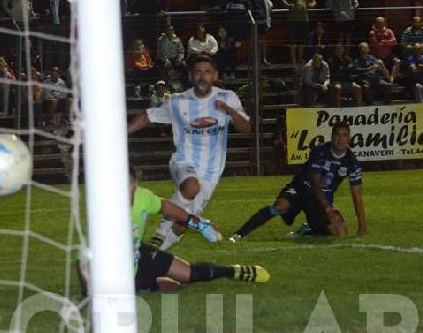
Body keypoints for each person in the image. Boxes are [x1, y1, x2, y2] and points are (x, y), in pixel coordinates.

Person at [76, 166, 269, 295]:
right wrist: (89, 291)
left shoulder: (143, 197)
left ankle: (233, 271)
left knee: (190, 275)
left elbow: (165, 206)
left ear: (135, 184)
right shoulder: (102, 214)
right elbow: (83, 257)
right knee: (158, 287)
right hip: (114, 276)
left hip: (138, 255)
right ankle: (149, 283)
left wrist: (199, 224)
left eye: (126, 184)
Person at [126, 54, 252, 250]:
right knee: (192, 186)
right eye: (198, 72)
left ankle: (154, 251)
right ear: (191, 76)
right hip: (183, 160)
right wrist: (121, 134)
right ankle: (162, 228)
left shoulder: (228, 98)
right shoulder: (177, 101)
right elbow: (147, 116)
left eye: (207, 72)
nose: (203, 77)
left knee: (182, 224)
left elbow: (246, 129)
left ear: (215, 75)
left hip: (212, 172)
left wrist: (231, 112)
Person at [228, 121, 366, 241]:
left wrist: (362, 227)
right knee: (280, 207)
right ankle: (239, 234)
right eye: (337, 134)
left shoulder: (352, 162)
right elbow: (316, 184)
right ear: (332, 136)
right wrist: (328, 209)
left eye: (345, 135)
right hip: (301, 189)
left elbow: (357, 197)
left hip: (320, 200)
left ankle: (306, 232)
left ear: (349, 138)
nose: (340, 139)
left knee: (341, 233)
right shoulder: (320, 152)